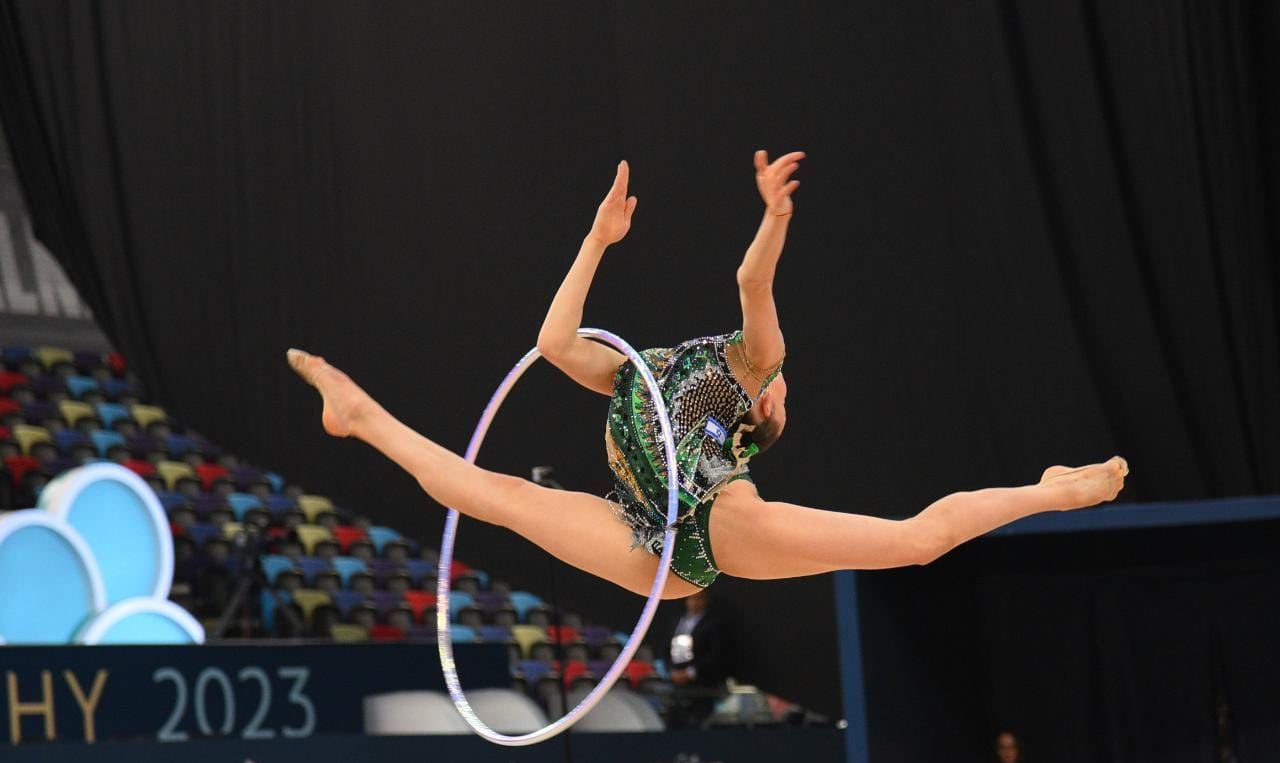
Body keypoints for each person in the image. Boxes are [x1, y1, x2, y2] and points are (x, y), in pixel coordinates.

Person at [286, 151, 1129, 600]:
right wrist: (596, 243)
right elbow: (552, 343)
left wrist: (774, 217)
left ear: (766, 404)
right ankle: (356, 413)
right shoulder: (637, 371)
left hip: (714, 527)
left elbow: (753, 283)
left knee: (912, 542)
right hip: (646, 536)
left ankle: (1050, 490)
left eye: (784, 390)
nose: (785, 381)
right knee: (495, 497)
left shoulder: (746, 364)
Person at [667, 588, 737, 727]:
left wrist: (691, 672)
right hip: (677, 683)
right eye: (690, 598)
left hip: (702, 686)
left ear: (705, 600)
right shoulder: (678, 621)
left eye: (697, 598)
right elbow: (665, 647)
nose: (693, 602)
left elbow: (715, 655)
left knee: (698, 723)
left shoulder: (713, 624)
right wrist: (671, 671)